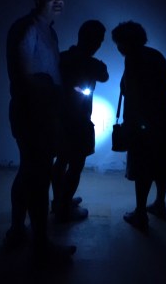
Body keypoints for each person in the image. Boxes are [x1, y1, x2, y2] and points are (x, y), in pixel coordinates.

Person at [4, 0, 75, 260]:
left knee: (29, 173)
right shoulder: (27, 28)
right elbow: (21, 76)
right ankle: (40, 244)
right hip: (32, 113)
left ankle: (18, 231)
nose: (59, 0)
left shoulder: (49, 30)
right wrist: (47, 87)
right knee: (37, 176)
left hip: (44, 113)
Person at [111, 21, 166, 232]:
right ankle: (160, 204)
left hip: (144, 122)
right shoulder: (155, 54)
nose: (118, 48)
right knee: (162, 163)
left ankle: (140, 213)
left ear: (125, 43)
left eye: (119, 43)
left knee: (143, 167)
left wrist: (132, 123)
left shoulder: (133, 60)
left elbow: (131, 95)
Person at [51, 20, 109, 223]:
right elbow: (104, 76)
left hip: (60, 118)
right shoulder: (92, 64)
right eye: (98, 40)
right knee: (75, 165)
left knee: (61, 161)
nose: (99, 45)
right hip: (79, 122)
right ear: (90, 39)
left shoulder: (62, 58)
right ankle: (64, 207)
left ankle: (59, 201)